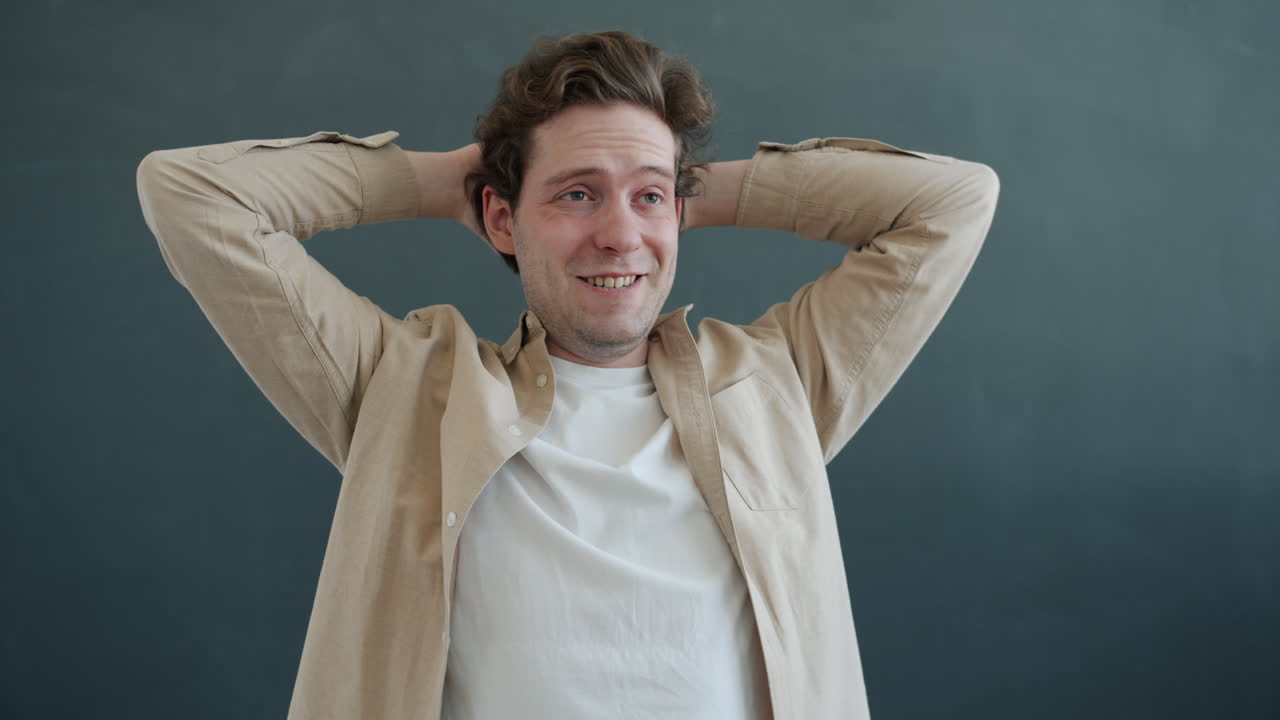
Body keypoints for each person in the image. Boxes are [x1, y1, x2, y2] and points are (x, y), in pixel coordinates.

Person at [136, 30, 998, 720]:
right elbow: (189, 194)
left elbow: (954, 202)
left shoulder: (779, 385)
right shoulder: (402, 392)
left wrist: (684, 188)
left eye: (648, 200)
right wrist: (451, 182)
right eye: (577, 196)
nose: (621, 236)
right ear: (504, 221)